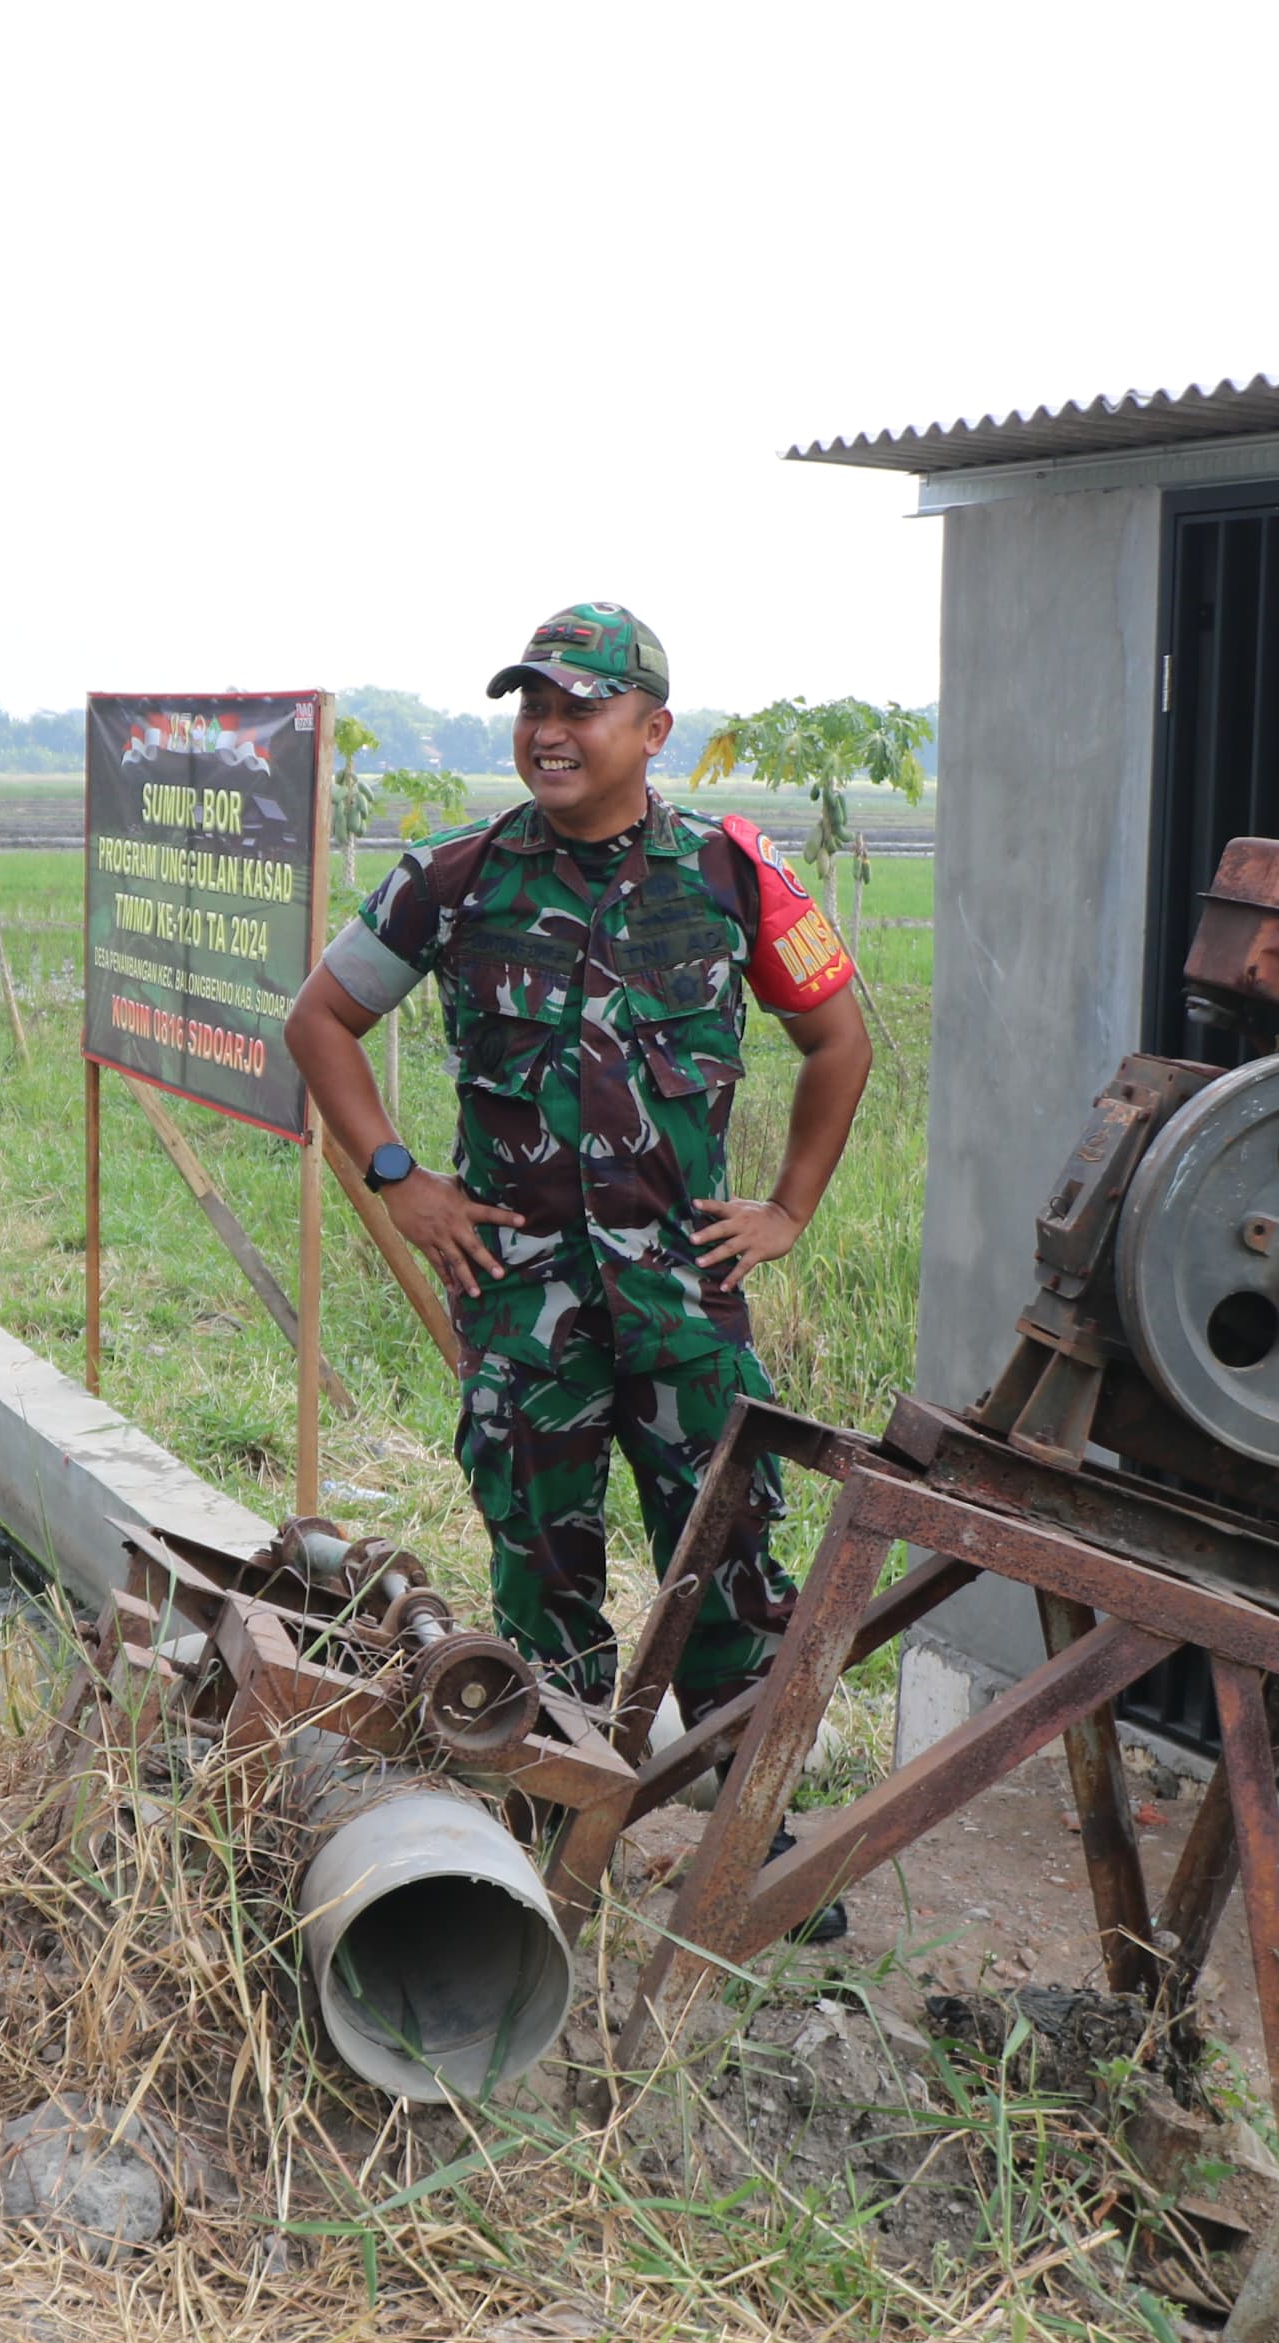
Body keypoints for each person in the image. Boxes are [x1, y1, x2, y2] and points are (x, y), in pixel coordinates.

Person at [281, 603, 872, 1925]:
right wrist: (399, 1178)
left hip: (682, 1297)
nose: (548, 732)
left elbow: (840, 1040)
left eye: (579, 709)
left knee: (723, 1563)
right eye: (531, 708)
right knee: (539, 1572)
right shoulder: (457, 879)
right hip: (523, 1301)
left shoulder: (732, 877)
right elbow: (318, 1019)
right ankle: (551, 1830)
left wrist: (786, 1208)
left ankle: (753, 1835)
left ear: (651, 731)